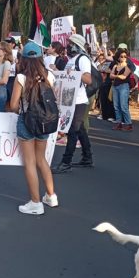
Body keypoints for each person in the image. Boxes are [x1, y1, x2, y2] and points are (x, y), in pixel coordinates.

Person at [10, 42, 58, 215]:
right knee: (41, 159)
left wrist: (20, 108)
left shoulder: (21, 78)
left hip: (27, 121)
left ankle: (35, 203)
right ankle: (51, 196)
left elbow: (14, 105)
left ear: (24, 59)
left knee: (29, 162)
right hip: (45, 122)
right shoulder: (49, 76)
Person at [51, 34, 93, 174]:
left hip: (79, 100)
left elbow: (88, 79)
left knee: (72, 131)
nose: (68, 45)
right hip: (71, 99)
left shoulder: (83, 59)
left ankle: (66, 162)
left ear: (77, 45)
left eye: (70, 43)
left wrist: (76, 73)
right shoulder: (72, 59)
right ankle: (87, 157)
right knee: (80, 130)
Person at [110, 49, 133, 131]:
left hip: (124, 86)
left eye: (125, 56)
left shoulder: (128, 66)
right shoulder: (115, 66)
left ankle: (128, 124)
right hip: (115, 86)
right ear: (118, 57)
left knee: (123, 106)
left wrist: (115, 76)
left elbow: (124, 76)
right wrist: (117, 76)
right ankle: (118, 123)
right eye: (121, 56)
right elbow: (110, 76)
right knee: (116, 106)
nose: (123, 58)